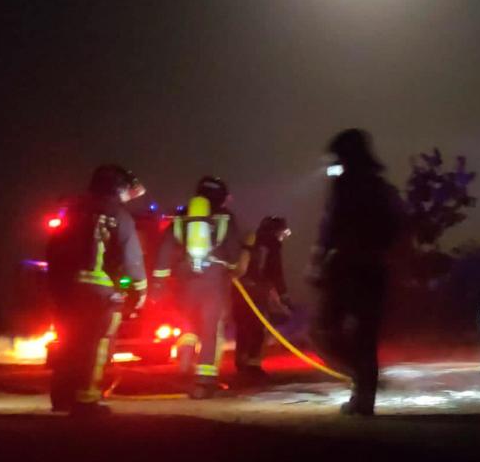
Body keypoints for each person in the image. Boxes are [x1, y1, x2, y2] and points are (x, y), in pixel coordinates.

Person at [308, 129, 405, 416]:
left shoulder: (346, 186)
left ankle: (362, 389)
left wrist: (319, 262)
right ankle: (364, 393)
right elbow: (397, 227)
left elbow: (330, 226)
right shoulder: (381, 187)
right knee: (363, 337)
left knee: (324, 331)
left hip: (350, 268)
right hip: (373, 270)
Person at [46, 164, 148, 416]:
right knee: (96, 345)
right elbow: (131, 258)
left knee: (68, 342)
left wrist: (57, 289)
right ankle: (86, 399)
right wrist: (139, 291)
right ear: (117, 188)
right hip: (101, 293)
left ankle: (61, 397)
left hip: (68, 292)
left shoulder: (72, 211)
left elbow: (53, 251)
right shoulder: (119, 215)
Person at [152, 176, 253, 398]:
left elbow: (165, 248)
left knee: (188, 322)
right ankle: (204, 381)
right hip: (214, 279)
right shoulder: (225, 217)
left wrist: (158, 281)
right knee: (210, 328)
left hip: (186, 280)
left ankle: (186, 355)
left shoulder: (181, 216)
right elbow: (235, 254)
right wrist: (233, 266)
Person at [232, 215, 293, 380]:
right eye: (283, 232)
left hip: (239, 289)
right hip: (258, 291)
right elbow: (275, 271)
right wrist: (284, 296)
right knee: (259, 327)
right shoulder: (272, 244)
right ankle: (253, 364)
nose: (283, 236)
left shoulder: (250, 240)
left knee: (242, 326)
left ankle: (240, 361)